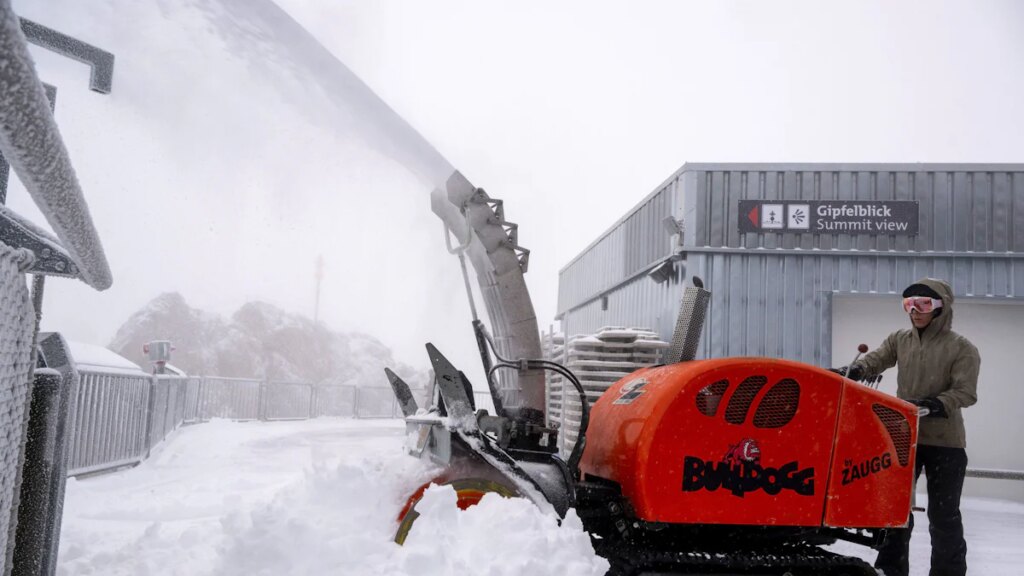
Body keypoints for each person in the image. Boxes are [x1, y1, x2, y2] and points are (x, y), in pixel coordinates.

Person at [842, 278, 980, 576]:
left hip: (946, 444)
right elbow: (876, 360)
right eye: (908, 304)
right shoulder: (900, 339)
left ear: (941, 308)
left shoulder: (961, 348)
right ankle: (890, 570)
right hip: (905, 440)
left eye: (924, 304)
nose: (914, 310)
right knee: (895, 511)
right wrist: (854, 370)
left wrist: (934, 404)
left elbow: (966, 392)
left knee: (943, 515)